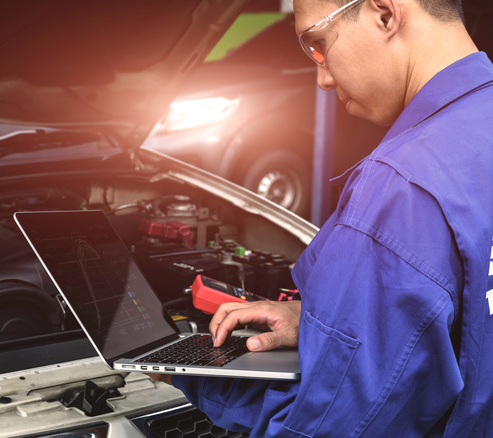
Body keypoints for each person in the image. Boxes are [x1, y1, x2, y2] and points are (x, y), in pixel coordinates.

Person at [150, 0, 493, 435]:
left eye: (318, 44)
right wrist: (323, 321)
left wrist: (195, 377)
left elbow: (330, 427)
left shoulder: (400, 190)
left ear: (385, 14)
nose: (323, 79)